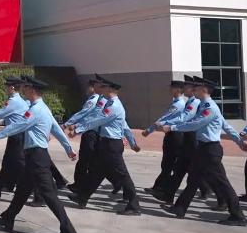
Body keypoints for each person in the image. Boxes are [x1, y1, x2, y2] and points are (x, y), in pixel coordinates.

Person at [0, 76, 79, 233]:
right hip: (35, 156)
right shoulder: (43, 108)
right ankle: (8, 218)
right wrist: (68, 148)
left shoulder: (35, 110)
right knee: (22, 190)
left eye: (26, 87)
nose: (23, 89)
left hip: (37, 157)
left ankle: (68, 230)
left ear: (33, 90)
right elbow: (56, 129)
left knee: (49, 195)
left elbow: (18, 126)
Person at [158, 77, 247, 225]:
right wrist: (239, 142)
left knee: (222, 183)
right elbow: (226, 126)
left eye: (197, 88)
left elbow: (195, 124)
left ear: (204, 90)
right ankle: (180, 208)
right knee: (193, 179)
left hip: (210, 150)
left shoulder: (210, 108)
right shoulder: (203, 105)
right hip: (203, 148)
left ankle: (238, 215)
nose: (193, 90)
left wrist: (172, 127)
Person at [65, 76, 141, 215]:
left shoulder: (114, 106)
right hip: (106, 143)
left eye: (104, 87)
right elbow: (124, 126)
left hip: (112, 145)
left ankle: (134, 205)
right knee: (96, 172)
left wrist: (78, 129)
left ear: (110, 89)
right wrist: (132, 142)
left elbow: (98, 120)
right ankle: (82, 197)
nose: (101, 89)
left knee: (123, 175)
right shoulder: (110, 104)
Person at [63, 77, 118, 196]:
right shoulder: (100, 100)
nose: (88, 89)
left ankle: (80, 186)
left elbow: (90, 117)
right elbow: (91, 117)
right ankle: (82, 187)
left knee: (87, 160)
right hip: (91, 132)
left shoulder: (98, 100)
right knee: (93, 162)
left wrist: (75, 126)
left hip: (92, 133)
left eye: (99, 85)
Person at [143, 80, 187, 197]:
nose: (169, 89)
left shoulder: (179, 104)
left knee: (170, 163)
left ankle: (160, 188)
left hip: (175, 136)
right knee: (169, 164)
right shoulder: (176, 102)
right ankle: (159, 187)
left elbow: (164, 119)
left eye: (172, 88)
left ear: (178, 89)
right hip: (172, 135)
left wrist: (149, 130)